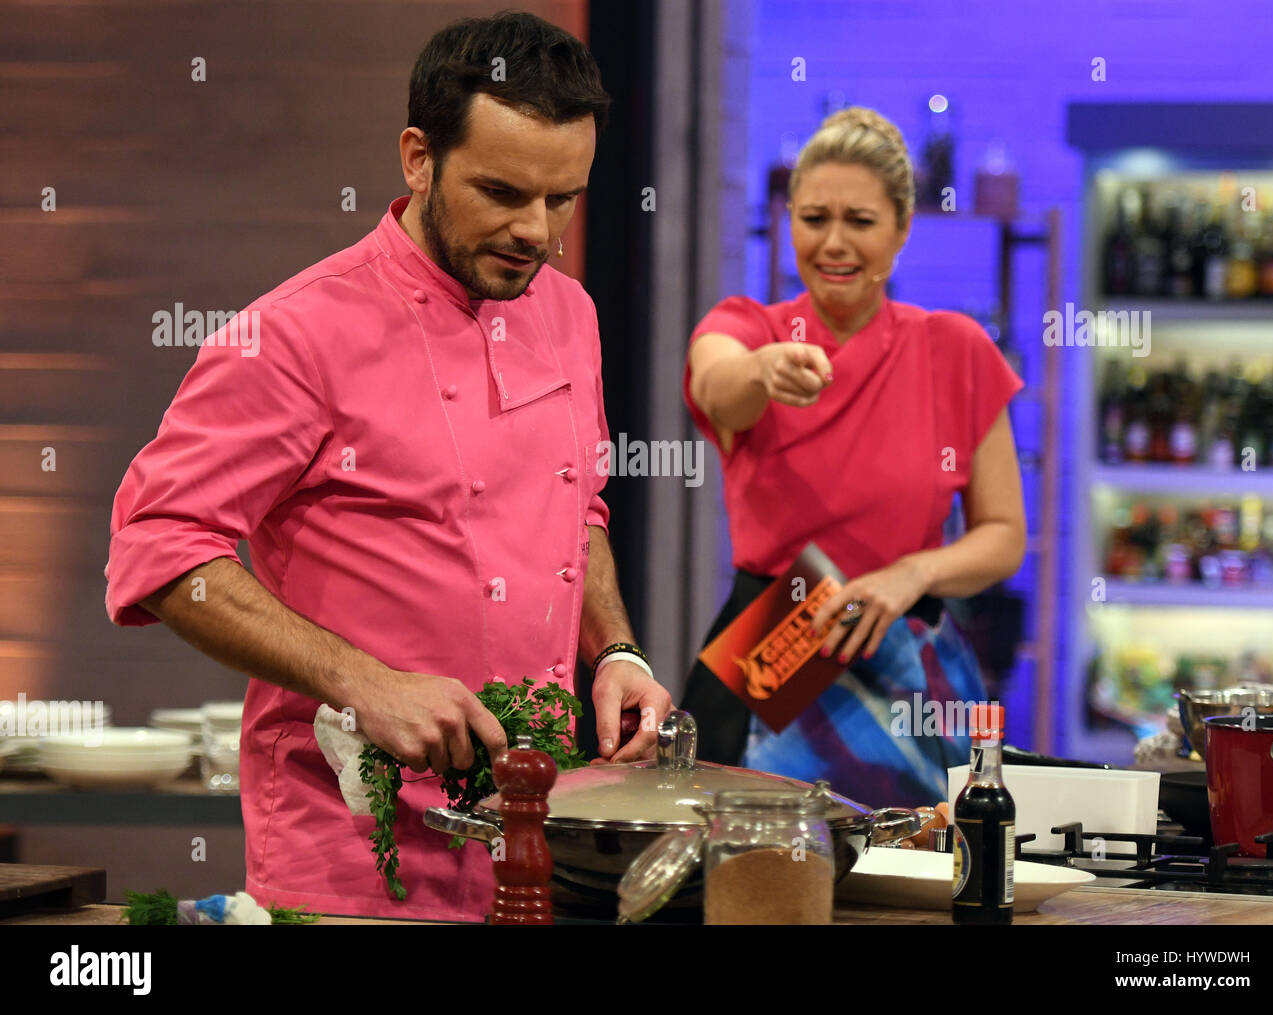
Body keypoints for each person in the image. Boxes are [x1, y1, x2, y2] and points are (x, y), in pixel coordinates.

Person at [105, 12, 672, 921]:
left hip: (535, 846)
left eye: (562, 199)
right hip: (349, 861)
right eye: (502, 192)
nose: (536, 230)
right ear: (418, 157)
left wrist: (615, 650)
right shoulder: (295, 334)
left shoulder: (569, 314)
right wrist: (364, 682)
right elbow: (158, 542)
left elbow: (580, 512)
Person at [681, 107, 1026, 808]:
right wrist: (762, 370)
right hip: (773, 640)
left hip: (911, 652)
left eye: (860, 221)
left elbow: (1004, 536)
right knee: (746, 884)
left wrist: (912, 573)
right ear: (788, 221)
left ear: (901, 229)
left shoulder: (955, 348)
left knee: (926, 877)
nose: (834, 242)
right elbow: (717, 382)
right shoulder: (749, 327)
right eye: (813, 218)